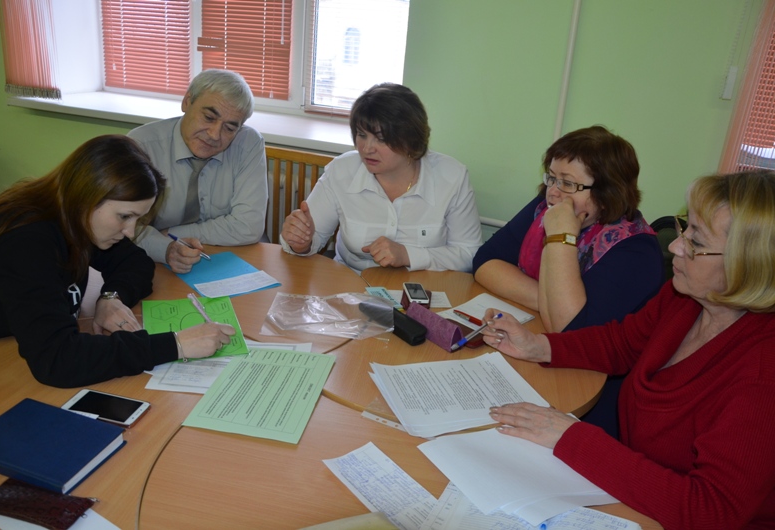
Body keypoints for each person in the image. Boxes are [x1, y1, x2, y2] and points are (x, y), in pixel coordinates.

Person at [483, 170, 775, 529]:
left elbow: (710, 512)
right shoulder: (686, 297)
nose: (675, 246)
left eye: (696, 241)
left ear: (750, 263)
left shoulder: (763, 374)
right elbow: (621, 343)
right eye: (685, 228)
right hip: (637, 492)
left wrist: (573, 438)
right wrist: (539, 346)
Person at [0, 135, 235, 388]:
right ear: (87, 197)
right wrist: (176, 344)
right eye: (124, 216)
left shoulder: (76, 219)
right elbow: (58, 360)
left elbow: (136, 262)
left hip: (12, 343)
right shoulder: (24, 243)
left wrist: (111, 298)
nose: (130, 232)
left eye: (137, 219)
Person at [473, 125, 664, 438]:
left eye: (568, 183)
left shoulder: (635, 251)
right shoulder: (547, 206)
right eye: (552, 177)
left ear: (608, 191)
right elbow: (485, 262)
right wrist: (548, 299)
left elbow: (570, 332)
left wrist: (561, 236)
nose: (553, 192)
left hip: (592, 400)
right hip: (535, 352)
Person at [279, 83, 482, 273]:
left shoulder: (452, 177)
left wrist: (408, 255)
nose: (367, 148)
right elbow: (313, 238)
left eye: (381, 139)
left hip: (423, 289)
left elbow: (469, 253)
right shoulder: (341, 171)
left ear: (411, 140)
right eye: (362, 135)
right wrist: (301, 242)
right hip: (351, 284)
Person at [129, 69, 268, 273]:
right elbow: (127, 227)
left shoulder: (248, 144)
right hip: (157, 260)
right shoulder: (141, 146)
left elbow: (248, 226)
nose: (214, 135)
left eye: (229, 128)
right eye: (209, 117)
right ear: (187, 102)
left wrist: (170, 233)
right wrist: (164, 247)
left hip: (228, 257)